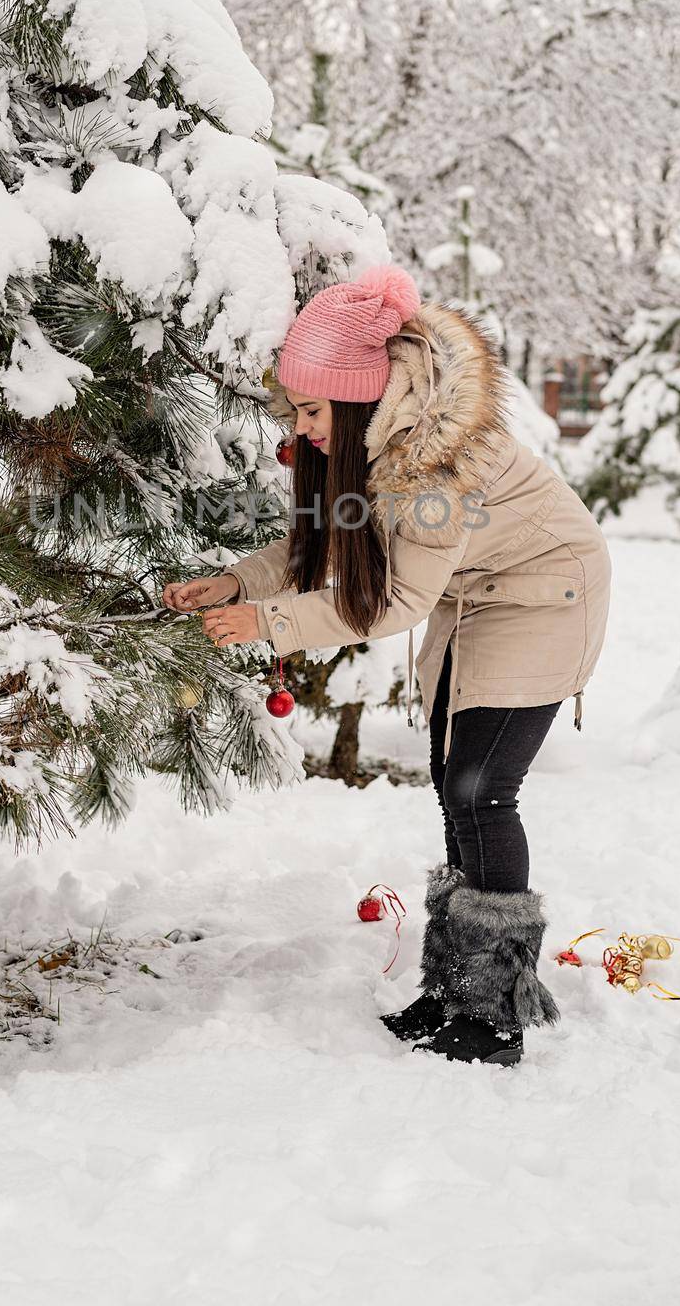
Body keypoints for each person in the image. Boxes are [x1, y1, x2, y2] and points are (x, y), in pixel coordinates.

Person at [163, 265, 612, 1067]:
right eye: (294, 408)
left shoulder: (435, 462)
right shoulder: (373, 444)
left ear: (362, 394)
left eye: (310, 409)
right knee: (452, 784)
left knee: (482, 791)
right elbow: (326, 537)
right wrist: (239, 580)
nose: (300, 428)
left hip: (546, 599)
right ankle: (453, 990)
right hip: (477, 598)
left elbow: (397, 599)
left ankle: (495, 1012)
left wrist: (267, 622)